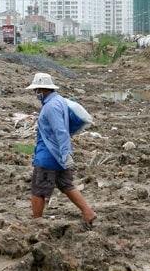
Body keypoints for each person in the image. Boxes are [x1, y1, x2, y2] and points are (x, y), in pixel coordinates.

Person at [25, 72, 97, 225]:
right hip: (58, 156)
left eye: (36, 90)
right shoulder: (59, 101)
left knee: (38, 189)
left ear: (42, 89)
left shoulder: (50, 107)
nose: (35, 93)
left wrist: (66, 153)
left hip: (48, 155)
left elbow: (60, 131)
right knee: (66, 185)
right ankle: (88, 212)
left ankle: (37, 222)